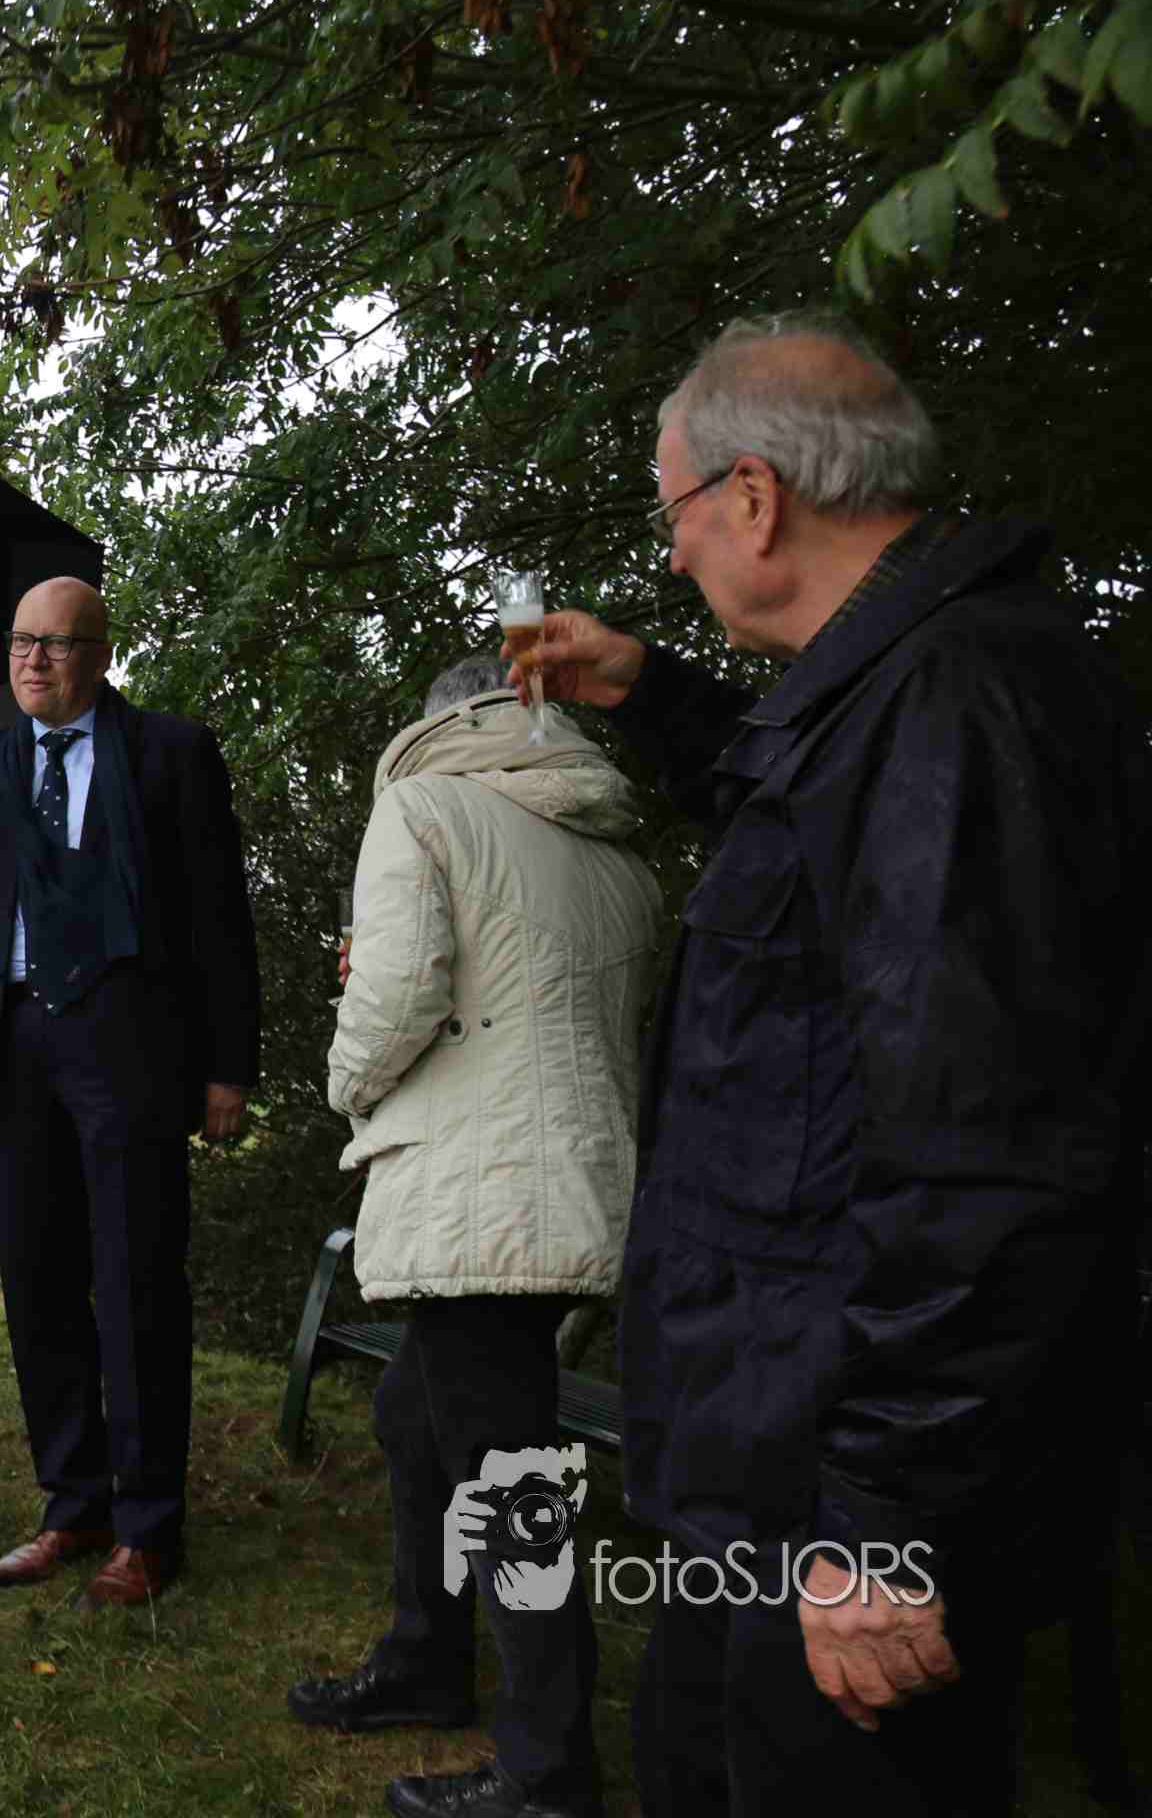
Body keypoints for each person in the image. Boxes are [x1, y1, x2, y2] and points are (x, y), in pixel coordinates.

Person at [514, 313, 1152, 1818]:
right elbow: (803, 821)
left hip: (840, 1495)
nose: (672, 552)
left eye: (674, 511)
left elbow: (989, 1160)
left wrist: (883, 1522)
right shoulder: (896, 689)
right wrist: (651, 692)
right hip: (774, 1455)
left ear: (753, 497)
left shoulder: (964, 705)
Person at [284, 657, 663, 1818]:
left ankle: (549, 1772)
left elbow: (400, 994)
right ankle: (426, 1660)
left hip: (480, 1192)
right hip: (567, 1191)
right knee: (416, 1414)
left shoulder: (425, 803)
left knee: (507, 1478)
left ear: (444, 722)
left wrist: (347, 1082)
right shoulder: (617, 856)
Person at [0, 576, 260, 1610]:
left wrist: (228, 1066)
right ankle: (74, 1504)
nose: (32, 661)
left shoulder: (171, 752)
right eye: (20, 642)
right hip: (9, 1043)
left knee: (138, 1282)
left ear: (100, 654)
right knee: (37, 1281)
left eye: (55, 645)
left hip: (127, 1043)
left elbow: (219, 914)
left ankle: (148, 1528)